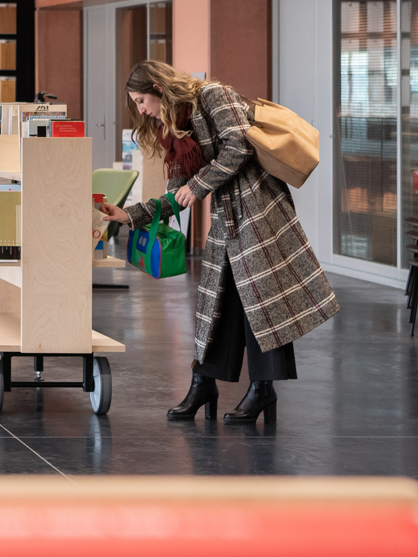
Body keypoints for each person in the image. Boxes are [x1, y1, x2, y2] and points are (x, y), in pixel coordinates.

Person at [98, 60, 338, 425]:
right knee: (217, 301)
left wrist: (198, 185)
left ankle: (262, 388)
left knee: (261, 301)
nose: (141, 110)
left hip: (258, 208)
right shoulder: (175, 126)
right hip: (226, 215)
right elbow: (177, 192)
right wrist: (130, 215)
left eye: (141, 101)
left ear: (158, 88)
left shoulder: (214, 95)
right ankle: (203, 384)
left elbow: (239, 145)